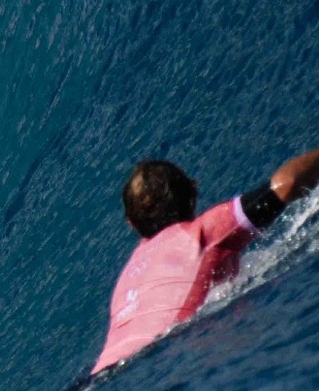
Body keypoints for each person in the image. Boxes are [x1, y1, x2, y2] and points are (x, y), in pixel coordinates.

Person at [92, 148, 319, 374]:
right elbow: (287, 183)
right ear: (192, 199)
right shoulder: (202, 234)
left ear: (131, 223)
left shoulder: (129, 273)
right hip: (151, 360)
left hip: (95, 379)